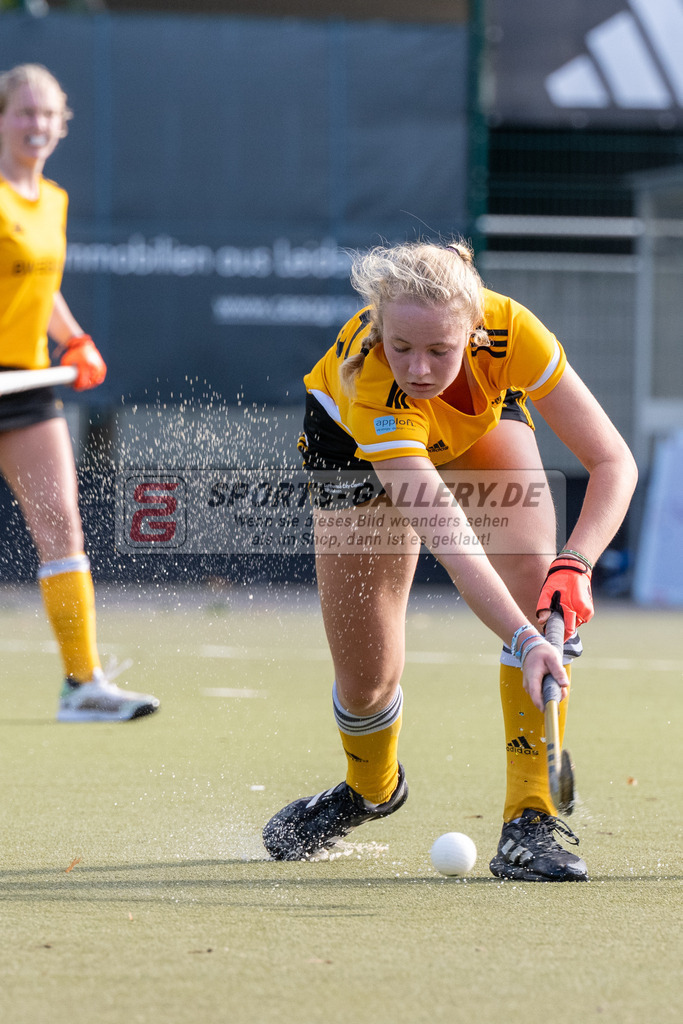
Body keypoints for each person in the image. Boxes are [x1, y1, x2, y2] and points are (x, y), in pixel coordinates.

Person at [262, 239, 637, 880]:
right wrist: (525, 638)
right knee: (368, 677)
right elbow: (454, 543)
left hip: (479, 415)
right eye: (402, 345)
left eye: (440, 349)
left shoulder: (513, 330)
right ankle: (370, 789)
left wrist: (575, 565)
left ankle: (530, 818)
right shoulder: (376, 383)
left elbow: (613, 462)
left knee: (531, 568)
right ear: (380, 326)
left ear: (473, 328)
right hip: (354, 449)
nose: (420, 368)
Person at [0, 63, 159, 722]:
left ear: (61, 126)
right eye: (23, 112)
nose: (36, 124)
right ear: (2, 119)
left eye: (47, 114)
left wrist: (73, 338)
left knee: (61, 525)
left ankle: (82, 683)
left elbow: (40, 287)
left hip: (27, 382)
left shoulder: (53, 200)